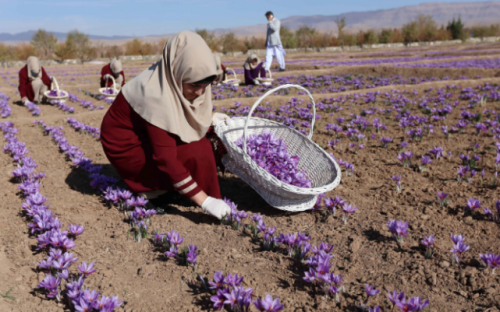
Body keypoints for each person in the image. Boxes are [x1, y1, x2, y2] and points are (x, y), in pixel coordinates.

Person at [100, 31, 232, 220]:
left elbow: (182, 120)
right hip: (128, 147)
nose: (201, 92)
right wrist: (205, 201)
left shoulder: (178, 79)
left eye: (206, 85)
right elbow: (165, 158)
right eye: (194, 86)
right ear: (178, 73)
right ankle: (150, 192)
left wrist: (210, 120)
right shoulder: (155, 94)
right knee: (196, 151)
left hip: (146, 134)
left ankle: (180, 188)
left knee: (202, 143)